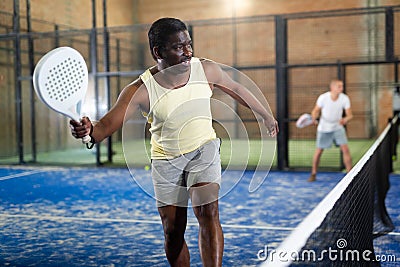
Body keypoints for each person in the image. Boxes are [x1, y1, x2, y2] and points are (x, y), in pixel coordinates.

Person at [70, 17, 278, 267]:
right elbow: (103, 127)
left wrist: (265, 114)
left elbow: (238, 89)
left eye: (189, 44)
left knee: (208, 212)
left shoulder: (207, 69)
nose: (188, 52)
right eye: (179, 47)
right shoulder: (140, 90)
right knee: (173, 230)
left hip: (204, 149)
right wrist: (88, 129)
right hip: (165, 159)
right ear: (158, 52)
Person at [308, 79, 353, 182]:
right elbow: (315, 110)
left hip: (338, 127)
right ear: (332, 88)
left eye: (342, 86)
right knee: (319, 151)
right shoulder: (323, 98)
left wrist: (345, 119)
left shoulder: (344, 98)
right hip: (324, 128)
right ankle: (313, 173)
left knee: (345, 149)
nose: (341, 88)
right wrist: (314, 118)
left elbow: (350, 115)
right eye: (339, 86)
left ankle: (350, 175)